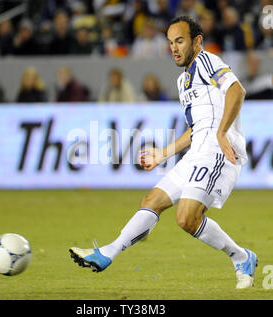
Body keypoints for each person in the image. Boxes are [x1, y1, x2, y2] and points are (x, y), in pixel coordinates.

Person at [69, 16, 258, 289]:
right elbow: (196, 129)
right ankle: (107, 253)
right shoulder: (184, 82)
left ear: (197, 41)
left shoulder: (207, 62)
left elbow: (237, 91)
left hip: (218, 151)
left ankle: (241, 256)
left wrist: (221, 132)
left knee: (186, 217)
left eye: (180, 41)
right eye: (170, 43)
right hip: (197, 152)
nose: (174, 48)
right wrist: (164, 153)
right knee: (152, 199)